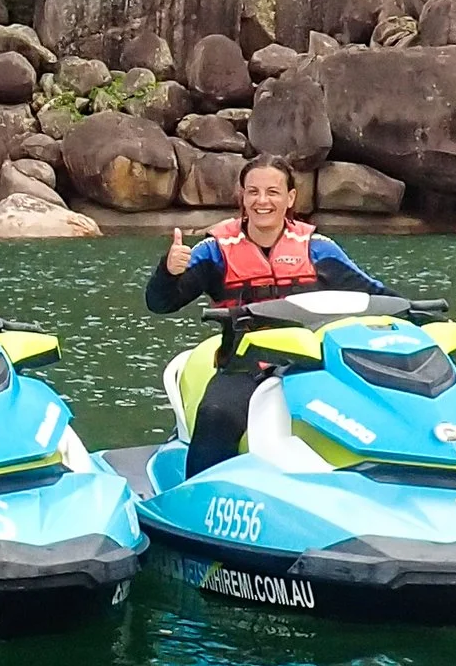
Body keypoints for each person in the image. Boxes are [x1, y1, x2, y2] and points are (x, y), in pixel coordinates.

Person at [146, 153, 387, 476]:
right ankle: (199, 493)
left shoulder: (319, 249)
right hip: (244, 365)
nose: (262, 201)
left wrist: (434, 325)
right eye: (253, 192)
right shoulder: (214, 250)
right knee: (216, 413)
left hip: (311, 365)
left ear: (290, 198)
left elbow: (378, 296)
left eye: (273, 192)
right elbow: (161, 303)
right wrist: (168, 271)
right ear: (242, 198)